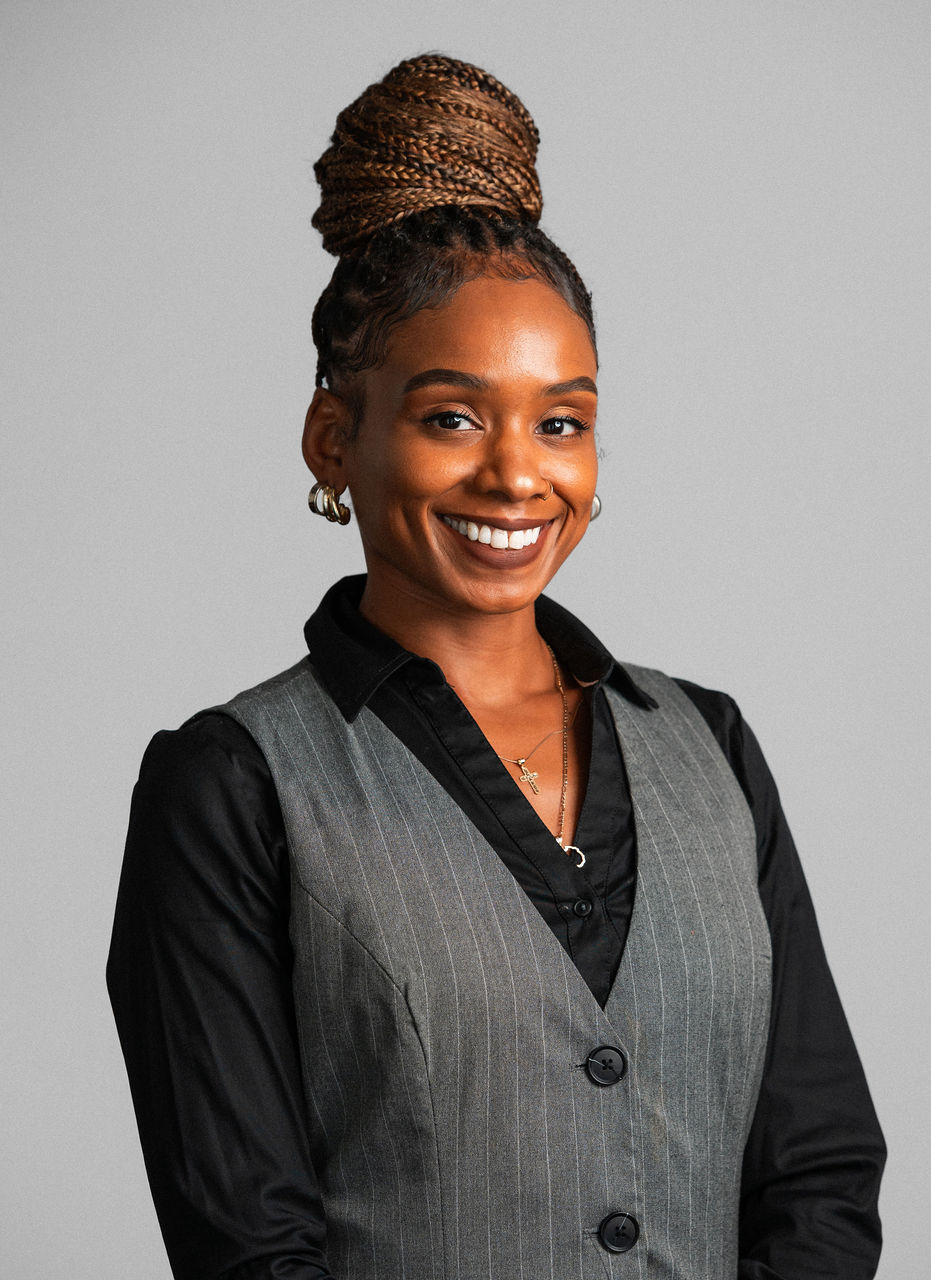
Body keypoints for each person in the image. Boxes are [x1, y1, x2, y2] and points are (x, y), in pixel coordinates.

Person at [107, 54, 885, 1280]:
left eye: (560, 420)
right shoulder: (235, 784)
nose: (518, 474)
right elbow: (248, 1240)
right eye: (452, 415)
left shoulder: (711, 744)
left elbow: (821, 1170)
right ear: (334, 437)